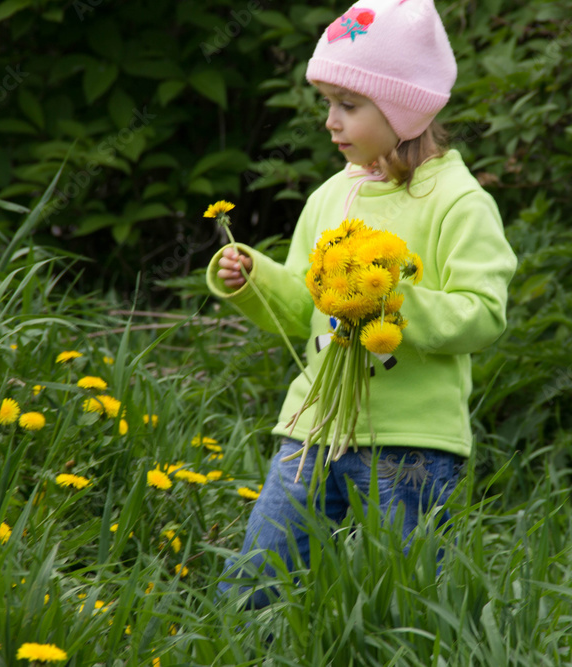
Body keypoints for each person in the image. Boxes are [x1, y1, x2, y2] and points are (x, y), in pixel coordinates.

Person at [207, 0, 517, 608]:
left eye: (348, 105)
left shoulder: (456, 201)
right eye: (327, 103)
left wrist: (394, 303)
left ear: (404, 110)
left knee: (403, 598)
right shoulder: (332, 195)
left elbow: (483, 313)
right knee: (258, 584)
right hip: (312, 428)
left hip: (411, 445)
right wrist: (253, 280)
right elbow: (304, 308)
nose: (330, 121)